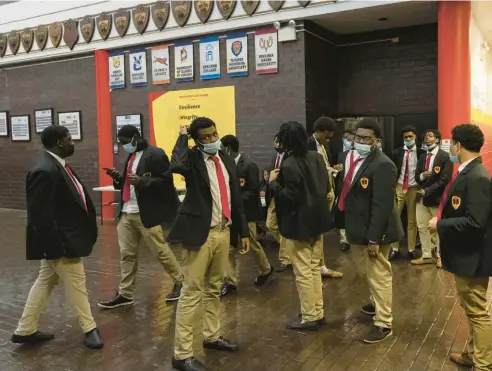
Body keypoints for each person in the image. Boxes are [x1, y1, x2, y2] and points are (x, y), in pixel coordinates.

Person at [168, 118, 250, 371]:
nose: (213, 139)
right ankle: (181, 355)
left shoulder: (224, 158)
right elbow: (176, 164)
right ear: (196, 140)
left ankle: (212, 336)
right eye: (205, 137)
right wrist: (182, 136)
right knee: (192, 292)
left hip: (223, 232)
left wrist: (243, 231)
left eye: (215, 134)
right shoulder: (191, 160)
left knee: (214, 287)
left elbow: (234, 195)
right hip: (199, 234)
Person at [11, 125, 103, 349]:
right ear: (59, 143)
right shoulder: (45, 170)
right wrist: (56, 248)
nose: (73, 143)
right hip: (61, 243)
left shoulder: (57, 165)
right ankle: (90, 328)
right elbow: (40, 217)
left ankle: (25, 329)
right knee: (77, 283)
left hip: (62, 240)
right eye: (70, 139)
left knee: (45, 281)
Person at [333, 118, 403, 343]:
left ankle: (384, 323)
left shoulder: (383, 164)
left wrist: (374, 238)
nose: (360, 141)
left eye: (366, 138)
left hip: (376, 232)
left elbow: (381, 206)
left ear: (376, 140)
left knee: (379, 275)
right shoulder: (349, 157)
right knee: (367, 273)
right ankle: (375, 303)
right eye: (357, 137)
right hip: (356, 227)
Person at [98, 125, 183, 309]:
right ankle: (125, 294)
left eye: (125, 142)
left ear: (136, 137)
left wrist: (145, 181)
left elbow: (167, 182)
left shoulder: (155, 154)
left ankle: (180, 281)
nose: (123, 146)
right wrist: (117, 178)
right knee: (127, 255)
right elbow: (127, 184)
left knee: (160, 251)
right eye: (121, 143)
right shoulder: (131, 156)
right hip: (127, 212)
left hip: (146, 212)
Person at [429, 124, 492, 371]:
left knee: (477, 311)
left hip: (472, 256)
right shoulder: (468, 171)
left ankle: (483, 364)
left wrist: (440, 224)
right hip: (466, 254)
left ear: (459, 145)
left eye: (451, 142)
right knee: (471, 308)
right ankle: (471, 354)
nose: (450, 147)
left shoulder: (477, 177)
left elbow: (475, 222)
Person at [270, 121, 333, 330]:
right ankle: (317, 310)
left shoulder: (289, 164)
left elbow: (290, 196)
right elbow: (325, 185)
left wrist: (273, 183)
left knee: (303, 271)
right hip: (318, 220)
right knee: (314, 267)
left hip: (299, 224)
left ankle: (309, 316)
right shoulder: (316, 157)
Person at [220, 135, 273, 296]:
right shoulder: (223, 165)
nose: (220, 151)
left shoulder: (249, 165)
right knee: (228, 248)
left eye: (222, 147)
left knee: (251, 243)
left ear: (228, 148)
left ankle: (266, 269)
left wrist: (235, 200)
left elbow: (253, 191)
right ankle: (230, 282)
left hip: (246, 213)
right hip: (230, 214)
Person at [307, 116, 343, 278]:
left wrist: (332, 169)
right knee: (317, 231)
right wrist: (326, 190)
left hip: (327, 190)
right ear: (318, 131)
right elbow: (314, 172)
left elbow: (324, 168)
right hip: (320, 193)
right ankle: (318, 266)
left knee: (320, 232)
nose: (328, 140)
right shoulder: (309, 145)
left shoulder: (322, 146)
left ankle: (320, 265)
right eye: (326, 136)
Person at [412, 130, 452, 268]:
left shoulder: (445, 157)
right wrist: (422, 175)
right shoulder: (422, 156)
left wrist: (427, 191)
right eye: (425, 137)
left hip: (437, 199)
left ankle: (441, 256)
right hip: (421, 199)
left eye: (430, 136)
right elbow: (416, 176)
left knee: (439, 229)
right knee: (422, 227)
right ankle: (426, 255)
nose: (427, 139)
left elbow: (444, 180)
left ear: (437, 139)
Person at [389, 125, 425, 261]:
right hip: (399, 186)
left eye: (410, 136)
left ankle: (411, 249)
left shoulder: (421, 153)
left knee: (412, 220)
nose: (408, 139)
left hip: (414, 187)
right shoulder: (396, 152)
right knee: (395, 217)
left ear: (415, 137)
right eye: (405, 137)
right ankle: (395, 249)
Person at [265, 131, 292, 272]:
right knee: (270, 225)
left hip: (284, 195)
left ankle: (286, 259)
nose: (277, 145)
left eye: (280, 142)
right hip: (274, 196)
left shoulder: (290, 158)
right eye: (276, 142)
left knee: (283, 226)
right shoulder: (274, 157)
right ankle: (291, 249)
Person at [333, 129, 355, 252]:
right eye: (345, 138)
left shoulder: (358, 153)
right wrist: (336, 170)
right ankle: (344, 241)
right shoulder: (341, 154)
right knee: (342, 213)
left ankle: (354, 237)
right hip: (342, 188)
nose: (348, 141)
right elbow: (337, 171)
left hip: (354, 188)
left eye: (350, 139)